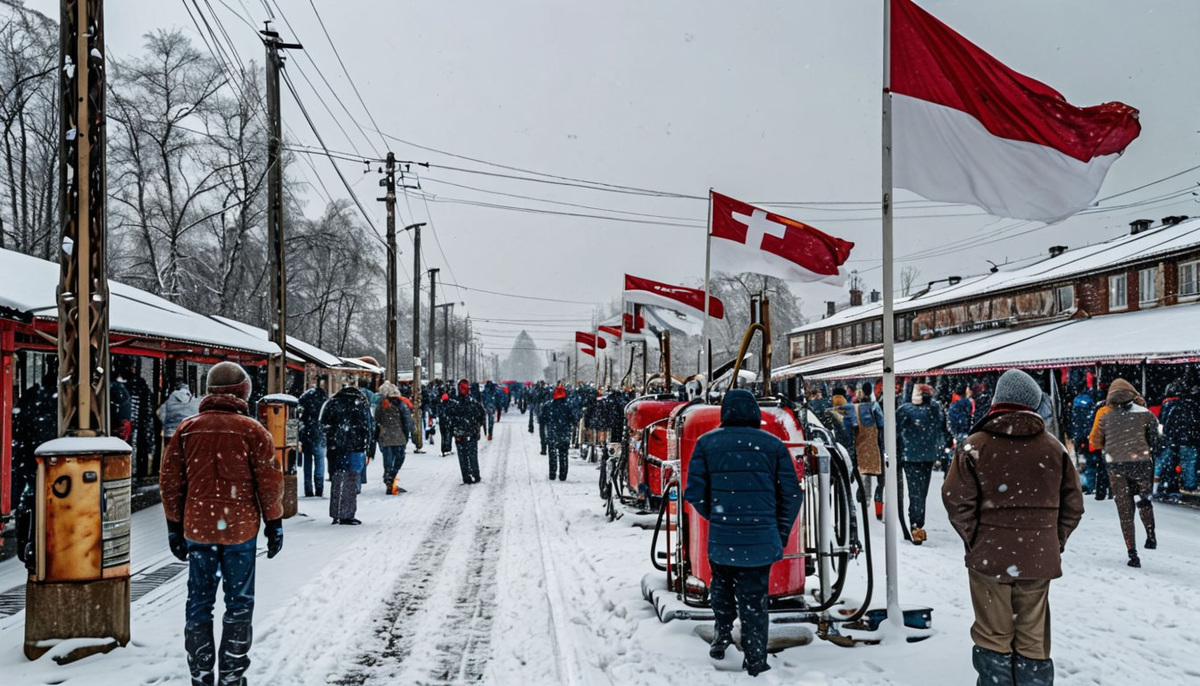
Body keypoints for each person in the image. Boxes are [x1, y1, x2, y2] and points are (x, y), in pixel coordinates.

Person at [942, 369, 1084, 686]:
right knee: (1033, 634)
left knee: (993, 633)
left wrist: (975, 538)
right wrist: (1052, 541)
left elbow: (955, 498)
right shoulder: (1054, 448)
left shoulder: (975, 445)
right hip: (1038, 558)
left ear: (996, 402)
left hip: (989, 558)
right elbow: (1074, 504)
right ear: (1034, 404)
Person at [159, 362, 284, 686]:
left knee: (199, 604)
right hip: (240, 532)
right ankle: (231, 675)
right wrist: (274, 524)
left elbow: (170, 482)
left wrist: (174, 525)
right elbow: (269, 483)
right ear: (242, 391)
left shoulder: (187, 429)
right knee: (239, 603)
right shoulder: (253, 430)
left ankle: (200, 675)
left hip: (198, 531)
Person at [684, 390, 803, 677]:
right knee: (754, 601)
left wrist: (720, 517)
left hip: (723, 539)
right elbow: (792, 495)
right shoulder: (773, 445)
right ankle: (755, 659)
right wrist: (779, 530)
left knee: (721, 590)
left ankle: (722, 635)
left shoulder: (706, 443)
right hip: (760, 540)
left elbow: (694, 493)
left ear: (725, 411)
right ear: (754, 412)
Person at [1092, 378, 1159, 567]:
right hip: (1142, 464)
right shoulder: (1146, 414)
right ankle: (1151, 535)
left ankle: (1132, 553)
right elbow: (1155, 440)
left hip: (1116, 465)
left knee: (1124, 510)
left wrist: (1111, 442)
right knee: (1144, 500)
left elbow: (1095, 442)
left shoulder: (1104, 416)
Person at [896, 383, 950, 545]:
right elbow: (942, 428)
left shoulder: (904, 410)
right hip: (927, 456)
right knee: (921, 493)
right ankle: (917, 523)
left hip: (910, 457)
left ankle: (915, 524)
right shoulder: (934, 410)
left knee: (914, 493)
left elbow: (896, 434)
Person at [321, 383, 372, 525]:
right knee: (351, 478)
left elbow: (324, 423)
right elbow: (367, 426)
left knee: (337, 478)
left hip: (336, 448)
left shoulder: (332, 403)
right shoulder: (360, 405)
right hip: (355, 448)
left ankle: (336, 512)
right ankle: (347, 514)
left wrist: (332, 440)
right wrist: (368, 447)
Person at [845, 382, 885, 520]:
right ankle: (877, 506)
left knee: (864, 475)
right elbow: (881, 424)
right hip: (874, 445)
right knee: (881, 481)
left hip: (860, 445)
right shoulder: (874, 407)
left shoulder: (852, 407)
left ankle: (864, 499)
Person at [1159, 381, 1200, 498]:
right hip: (1189, 440)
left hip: (1175, 439)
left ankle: (1169, 486)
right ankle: (1189, 488)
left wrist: (1169, 436)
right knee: (1189, 465)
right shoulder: (1194, 407)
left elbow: (1167, 424)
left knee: (1170, 464)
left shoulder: (1174, 406)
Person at [445, 379, 486, 483]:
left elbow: (448, 418)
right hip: (471, 433)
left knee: (462, 457)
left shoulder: (454, 403)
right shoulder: (473, 403)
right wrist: (476, 427)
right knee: (472, 455)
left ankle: (466, 476)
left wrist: (453, 429)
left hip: (460, 434)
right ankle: (475, 475)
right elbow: (481, 416)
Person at [375, 382, 412, 494]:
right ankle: (391, 478)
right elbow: (407, 422)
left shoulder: (380, 405)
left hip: (385, 438)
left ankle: (389, 480)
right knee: (398, 459)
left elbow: (376, 420)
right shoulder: (401, 404)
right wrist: (406, 435)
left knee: (388, 461)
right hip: (399, 437)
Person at [296, 379, 328, 498]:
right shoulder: (324, 401)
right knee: (320, 462)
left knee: (307, 463)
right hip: (319, 435)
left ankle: (308, 488)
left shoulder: (304, 399)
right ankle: (319, 488)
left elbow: (300, 417)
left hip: (306, 435)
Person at [1068, 385, 1101, 496]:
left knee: (1086, 462)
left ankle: (1089, 485)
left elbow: (1073, 423)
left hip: (1080, 438)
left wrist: (1075, 437)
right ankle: (1094, 485)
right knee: (1094, 462)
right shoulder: (1091, 404)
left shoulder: (1076, 405)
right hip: (1091, 438)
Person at [541, 385, 574, 480]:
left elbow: (543, 418)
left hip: (552, 433)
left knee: (552, 454)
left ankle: (552, 473)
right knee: (563, 454)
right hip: (564, 433)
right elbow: (573, 418)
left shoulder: (548, 405)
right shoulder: (568, 405)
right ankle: (563, 474)